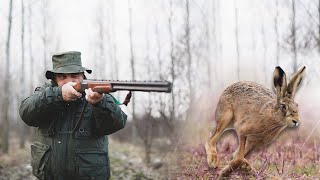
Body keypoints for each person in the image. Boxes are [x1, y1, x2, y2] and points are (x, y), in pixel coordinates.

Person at [19, 51, 127, 180]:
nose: (69, 81)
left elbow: (117, 123)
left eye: (74, 75)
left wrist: (100, 103)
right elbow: (26, 114)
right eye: (62, 77)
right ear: (54, 79)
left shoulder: (97, 94)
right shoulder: (45, 93)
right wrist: (57, 95)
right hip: (49, 175)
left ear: (82, 75)